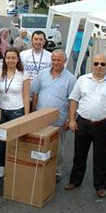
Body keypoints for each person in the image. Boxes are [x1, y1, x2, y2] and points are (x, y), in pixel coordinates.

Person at [65, 54, 106, 199]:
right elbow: (74, 99)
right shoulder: (82, 79)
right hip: (83, 123)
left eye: (102, 64)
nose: (99, 66)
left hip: (103, 124)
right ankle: (75, 181)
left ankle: (101, 186)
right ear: (92, 64)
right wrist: (72, 120)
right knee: (79, 154)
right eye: (96, 63)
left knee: (101, 157)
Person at [31, 49, 76, 182]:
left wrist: (70, 119)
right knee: (39, 144)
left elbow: (72, 101)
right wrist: (33, 112)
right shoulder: (42, 74)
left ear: (65, 61)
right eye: (54, 59)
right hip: (40, 117)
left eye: (59, 60)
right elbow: (35, 93)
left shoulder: (71, 79)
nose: (55, 62)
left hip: (59, 120)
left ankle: (56, 171)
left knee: (58, 148)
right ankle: (40, 167)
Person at [0, 48, 30, 178]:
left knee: (15, 140)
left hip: (17, 111)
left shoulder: (23, 74)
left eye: (13, 58)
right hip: (1, 110)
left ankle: (14, 165)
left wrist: (26, 116)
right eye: (8, 58)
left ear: (17, 59)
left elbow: (26, 95)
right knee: (1, 140)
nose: (10, 60)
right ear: (4, 59)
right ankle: (1, 166)